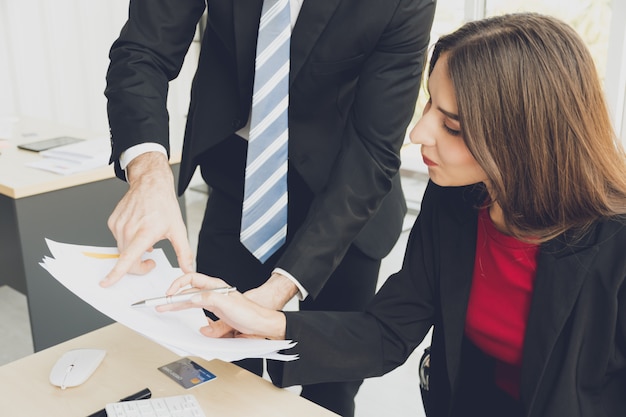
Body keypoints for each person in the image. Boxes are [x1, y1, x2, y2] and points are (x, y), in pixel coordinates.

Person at [156, 13, 626, 417]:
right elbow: (386, 332)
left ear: (523, 138)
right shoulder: (457, 205)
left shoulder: (615, 241)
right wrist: (263, 320)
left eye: (453, 125)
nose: (419, 133)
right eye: (428, 105)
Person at [103, 1, 436, 415]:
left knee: (328, 391)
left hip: (347, 200)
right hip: (240, 183)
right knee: (217, 368)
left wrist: (278, 292)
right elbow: (143, 50)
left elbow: (374, 148)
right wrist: (148, 170)